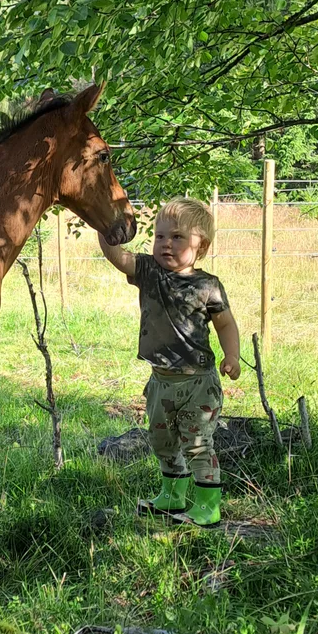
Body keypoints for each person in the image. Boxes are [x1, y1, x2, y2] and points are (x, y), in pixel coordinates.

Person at [97, 197, 241, 527]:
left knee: (198, 443)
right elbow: (119, 258)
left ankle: (208, 505)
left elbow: (226, 324)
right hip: (160, 381)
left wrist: (232, 356)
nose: (166, 244)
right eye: (160, 236)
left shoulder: (207, 286)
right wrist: (103, 228)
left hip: (197, 383)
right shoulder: (148, 271)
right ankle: (172, 496)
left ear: (200, 245)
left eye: (177, 237)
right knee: (162, 441)